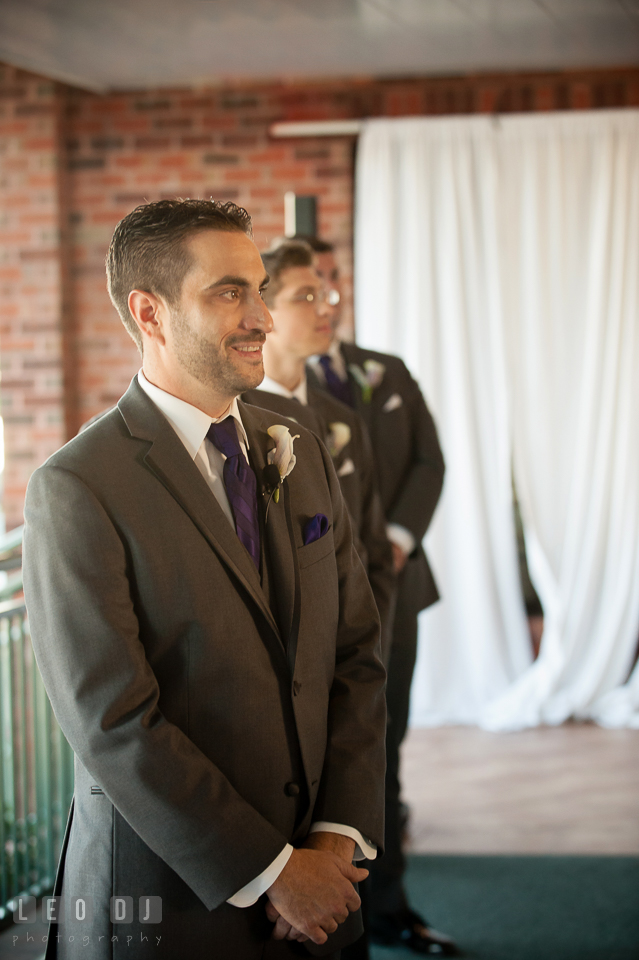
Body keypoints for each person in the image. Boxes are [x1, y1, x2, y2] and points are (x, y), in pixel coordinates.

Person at [22, 200, 387, 960]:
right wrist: (273, 871)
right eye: (229, 292)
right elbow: (114, 724)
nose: (261, 316)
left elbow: (353, 651)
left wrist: (333, 838)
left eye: (259, 289)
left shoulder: (301, 450)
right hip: (172, 911)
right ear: (149, 314)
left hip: (324, 896)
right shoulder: (77, 488)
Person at [305, 238, 456, 957]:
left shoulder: (383, 372)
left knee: (383, 744)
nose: (327, 298)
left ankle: (388, 903)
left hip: (395, 585)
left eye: (332, 283)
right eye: (310, 286)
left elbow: (429, 458)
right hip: (318, 599)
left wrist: (395, 536)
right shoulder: (268, 387)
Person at [242, 240, 395, 667]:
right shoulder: (233, 420)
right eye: (305, 298)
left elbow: (372, 546)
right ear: (264, 312)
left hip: (355, 649)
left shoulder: (342, 419)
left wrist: (369, 641)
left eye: (324, 296)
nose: (326, 310)